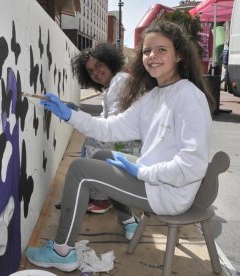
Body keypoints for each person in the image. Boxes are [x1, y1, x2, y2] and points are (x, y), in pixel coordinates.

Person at [25, 20, 215, 272]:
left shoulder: (188, 97)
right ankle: (128, 221)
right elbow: (109, 128)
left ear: (178, 55)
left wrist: (141, 172)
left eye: (161, 50)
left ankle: (62, 251)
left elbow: (192, 165)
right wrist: (69, 114)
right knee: (103, 155)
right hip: (158, 179)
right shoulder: (155, 95)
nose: (152, 56)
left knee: (80, 170)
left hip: (170, 192)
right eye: (147, 51)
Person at [71, 43, 141, 214]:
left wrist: (77, 117)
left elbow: (114, 123)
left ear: (109, 62)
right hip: (133, 140)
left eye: (98, 66)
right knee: (93, 138)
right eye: (90, 71)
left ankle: (102, 198)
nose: (95, 72)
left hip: (137, 146)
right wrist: (78, 114)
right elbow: (105, 119)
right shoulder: (115, 83)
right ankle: (97, 191)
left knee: (94, 143)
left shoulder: (120, 82)